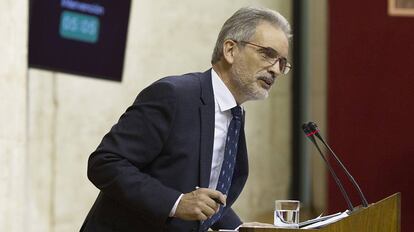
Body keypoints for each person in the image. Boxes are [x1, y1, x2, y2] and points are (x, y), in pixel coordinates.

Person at [80, 6, 291, 232]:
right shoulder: (173, 95)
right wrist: (176, 203)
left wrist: (238, 228)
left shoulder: (234, 115)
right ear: (230, 50)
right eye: (268, 54)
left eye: (282, 62)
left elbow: (204, 190)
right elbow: (105, 162)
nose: (276, 70)